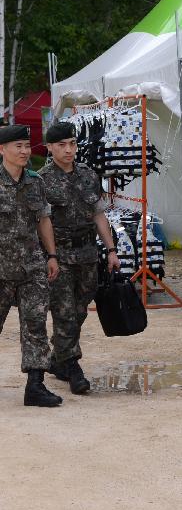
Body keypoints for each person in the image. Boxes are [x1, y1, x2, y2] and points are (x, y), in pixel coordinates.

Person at [40, 122, 121, 394]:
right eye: (61, 145)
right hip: (59, 255)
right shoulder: (42, 180)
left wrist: (111, 250)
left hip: (87, 254)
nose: (68, 150)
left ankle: (57, 359)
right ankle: (74, 368)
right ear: (49, 148)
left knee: (79, 310)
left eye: (72, 144)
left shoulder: (88, 175)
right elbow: (43, 221)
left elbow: (99, 213)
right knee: (64, 312)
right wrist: (50, 255)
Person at [0, 125, 63, 407]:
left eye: (27, 146)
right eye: (18, 146)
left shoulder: (35, 182)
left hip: (32, 268)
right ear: (2, 149)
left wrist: (52, 255)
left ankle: (35, 386)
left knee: (36, 325)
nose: (25, 151)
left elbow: (43, 220)